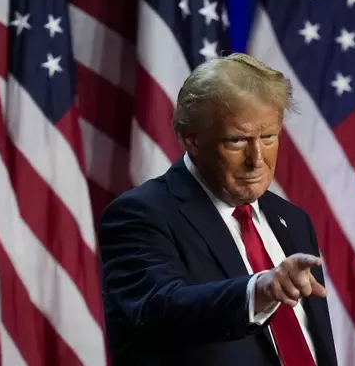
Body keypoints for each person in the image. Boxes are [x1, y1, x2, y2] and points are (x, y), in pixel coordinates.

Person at [98, 53, 338, 366]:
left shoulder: (292, 219)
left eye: (268, 137)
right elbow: (163, 308)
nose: (256, 159)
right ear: (192, 141)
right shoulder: (139, 215)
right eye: (236, 141)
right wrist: (260, 289)